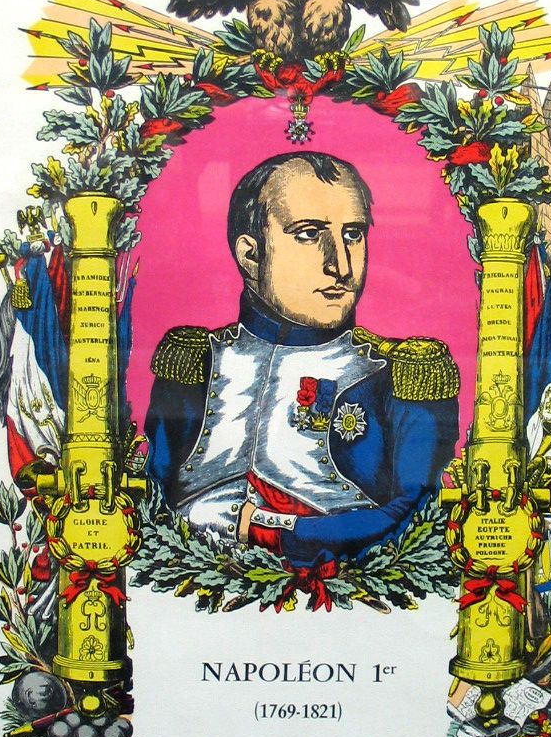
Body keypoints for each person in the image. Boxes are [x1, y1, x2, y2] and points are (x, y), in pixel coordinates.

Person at [144, 152, 459, 567]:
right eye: (309, 234)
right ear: (250, 255)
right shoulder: (193, 362)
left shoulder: (402, 372)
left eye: (353, 234)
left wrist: (263, 530)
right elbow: (150, 495)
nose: (340, 266)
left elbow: (413, 518)